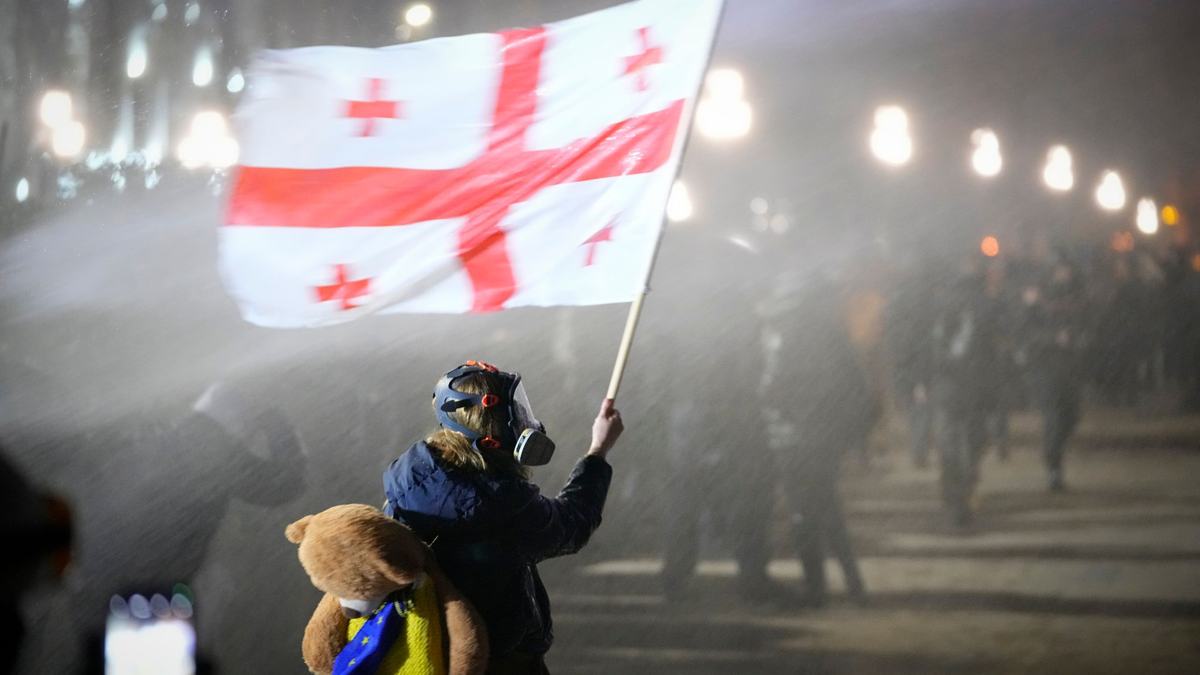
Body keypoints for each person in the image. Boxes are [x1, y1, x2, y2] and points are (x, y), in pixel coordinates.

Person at [382, 362, 623, 675]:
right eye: (516, 412)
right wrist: (598, 450)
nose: (526, 422)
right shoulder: (502, 507)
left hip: (427, 658)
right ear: (493, 428)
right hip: (502, 664)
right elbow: (572, 525)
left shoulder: (411, 484)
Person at [760, 268, 871, 607]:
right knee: (827, 504)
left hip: (793, 438)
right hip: (825, 436)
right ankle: (852, 581)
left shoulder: (786, 335)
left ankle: (817, 587)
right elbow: (857, 388)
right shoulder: (833, 335)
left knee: (804, 512)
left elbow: (773, 388)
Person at [929, 267, 1000, 527]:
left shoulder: (944, 309)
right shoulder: (985, 310)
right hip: (972, 391)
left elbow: (935, 352)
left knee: (951, 446)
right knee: (971, 445)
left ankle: (953, 494)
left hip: (950, 390)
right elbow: (993, 356)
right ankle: (962, 497)